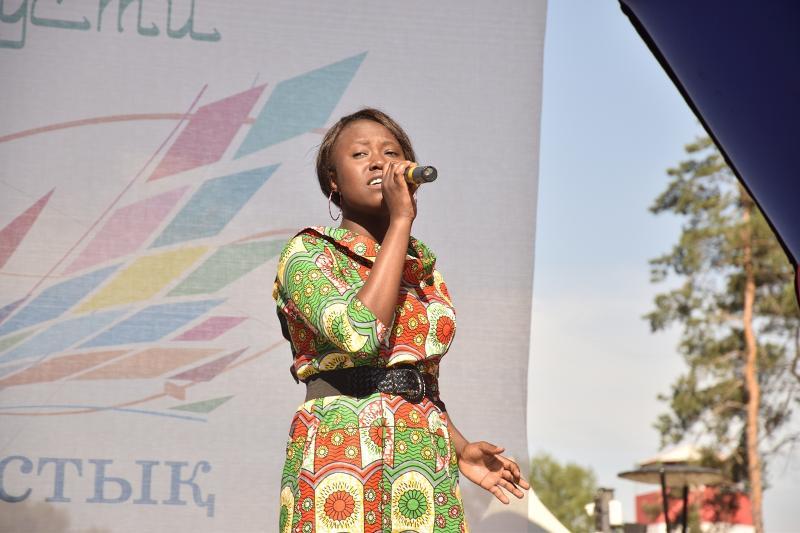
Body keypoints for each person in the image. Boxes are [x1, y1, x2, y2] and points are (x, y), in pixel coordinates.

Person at [273, 108, 529, 532]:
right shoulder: (309, 253)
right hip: (342, 448)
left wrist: (461, 448)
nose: (379, 162)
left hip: (422, 458)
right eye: (361, 154)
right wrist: (401, 221)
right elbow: (360, 333)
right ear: (333, 180)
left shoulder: (423, 271)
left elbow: (415, 378)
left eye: (391, 153)